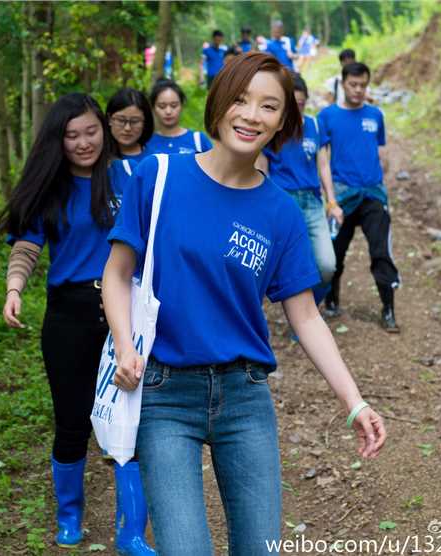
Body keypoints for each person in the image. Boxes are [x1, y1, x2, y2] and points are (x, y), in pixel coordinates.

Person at [102, 52, 386, 555]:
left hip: (245, 398)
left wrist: (354, 401)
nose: (252, 115)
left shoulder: (279, 212)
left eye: (268, 106)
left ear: (283, 121)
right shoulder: (158, 175)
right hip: (166, 394)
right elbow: (118, 274)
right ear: (218, 104)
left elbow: (305, 316)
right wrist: (125, 346)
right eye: (240, 99)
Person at [1, 93, 155, 555]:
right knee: (72, 422)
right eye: (72, 135)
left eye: (91, 131)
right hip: (68, 315)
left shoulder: (130, 175)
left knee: (130, 420)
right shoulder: (50, 187)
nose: (84, 142)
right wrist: (14, 288)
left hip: (125, 314)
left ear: (104, 130)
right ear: (58, 140)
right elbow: (26, 248)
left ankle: (131, 532)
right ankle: (69, 515)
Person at [317, 62, 401, 332]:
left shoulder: (375, 115)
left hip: (373, 195)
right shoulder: (327, 117)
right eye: (353, 85)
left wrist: (381, 182)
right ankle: (331, 302)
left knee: (381, 252)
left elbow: (381, 151)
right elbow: (322, 160)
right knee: (334, 254)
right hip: (342, 197)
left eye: (363, 85)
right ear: (343, 84)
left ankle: (388, 310)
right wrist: (329, 200)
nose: (358, 90)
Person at [262, 74, 342, 307]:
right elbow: (262, 170)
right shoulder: (273, 129)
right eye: (292, 104)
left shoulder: (314, 125)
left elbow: (324, 165)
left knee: (327, 266)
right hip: (283, 202)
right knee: (286, 267)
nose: (297, 109)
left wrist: (332, 202)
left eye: (302, 103)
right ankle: (298, 317)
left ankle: (309, 311)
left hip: (312, 202)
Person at [145, 79, 212, 155]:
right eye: (162, 106)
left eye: (174, 106)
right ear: (153, 108)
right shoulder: (146, 143)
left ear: (182, 105)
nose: (168, 111)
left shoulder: (198, 140)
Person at [107, 88, 154, 164]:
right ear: (109, 119)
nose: (127, 128)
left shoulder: (155, 160)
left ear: (145, 122)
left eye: (134, 121)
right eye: (121, 120)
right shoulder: (97, 157)